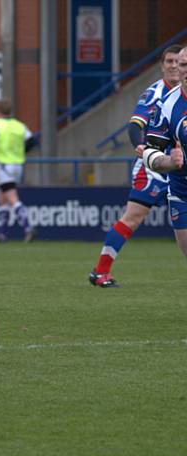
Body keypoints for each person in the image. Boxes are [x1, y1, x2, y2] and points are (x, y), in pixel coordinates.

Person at [88, 45, 182, 288]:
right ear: (162, 66)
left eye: (178, 62)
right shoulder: (155, 94)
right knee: (132, 218)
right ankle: (100, 272)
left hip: (181, 171)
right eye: (169, 62)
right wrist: (141, 147)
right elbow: (135, 125)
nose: (173, 66)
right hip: (155, 169)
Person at [142, 46, 187, 259]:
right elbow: (150, 152)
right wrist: (170, 161)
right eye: (184, 65)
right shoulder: (167, 105)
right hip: (182, 192)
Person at [0, 99, 37, 243]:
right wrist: (22, 151)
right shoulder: (19, 125)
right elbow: (32, 141)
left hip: (3, 165)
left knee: (12, 198)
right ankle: (2, 233)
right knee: (2, 198)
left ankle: (28, 226)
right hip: (17, 165)